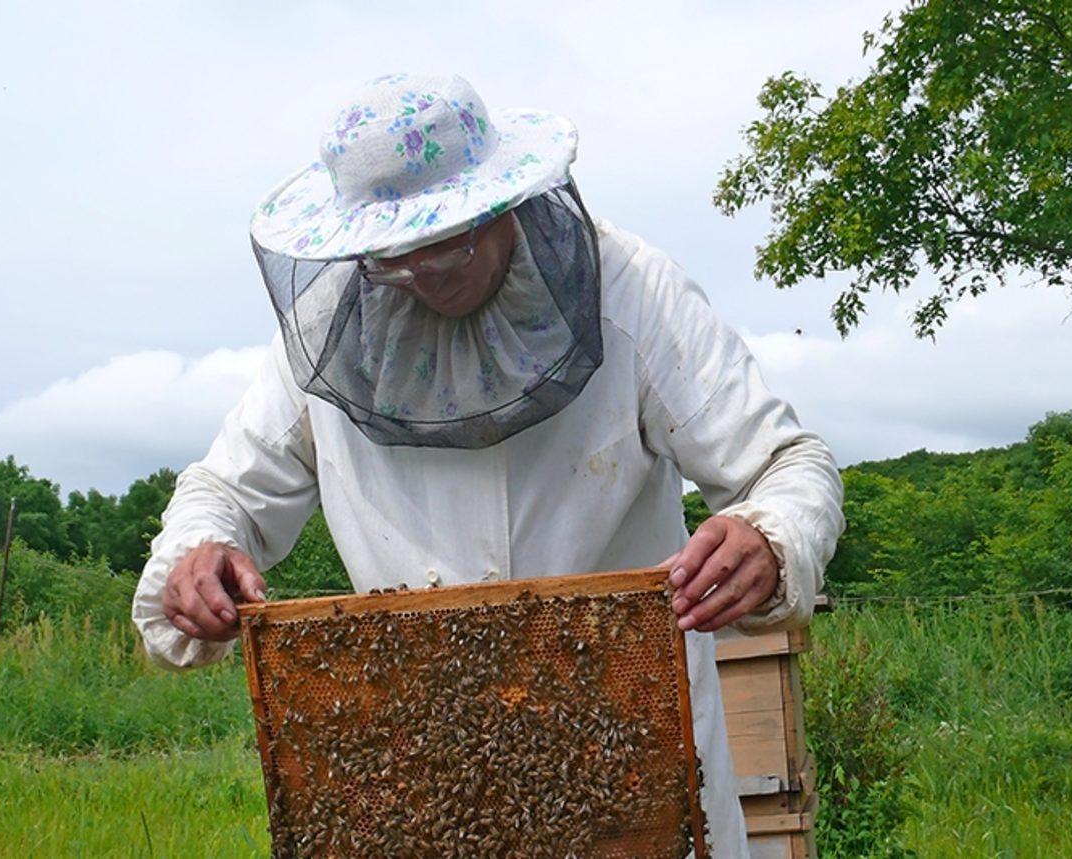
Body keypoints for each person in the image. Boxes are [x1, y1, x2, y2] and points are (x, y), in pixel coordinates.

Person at [132, 71, 845, 858]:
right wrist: (199, 549)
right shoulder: (328, 325)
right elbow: (225, 489)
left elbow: (788, 464)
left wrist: (771, 535)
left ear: (504, 199)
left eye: (449, 241)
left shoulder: (631, 288)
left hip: (630, 754)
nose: (424, 273)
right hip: (432, 770)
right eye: (393, 258)